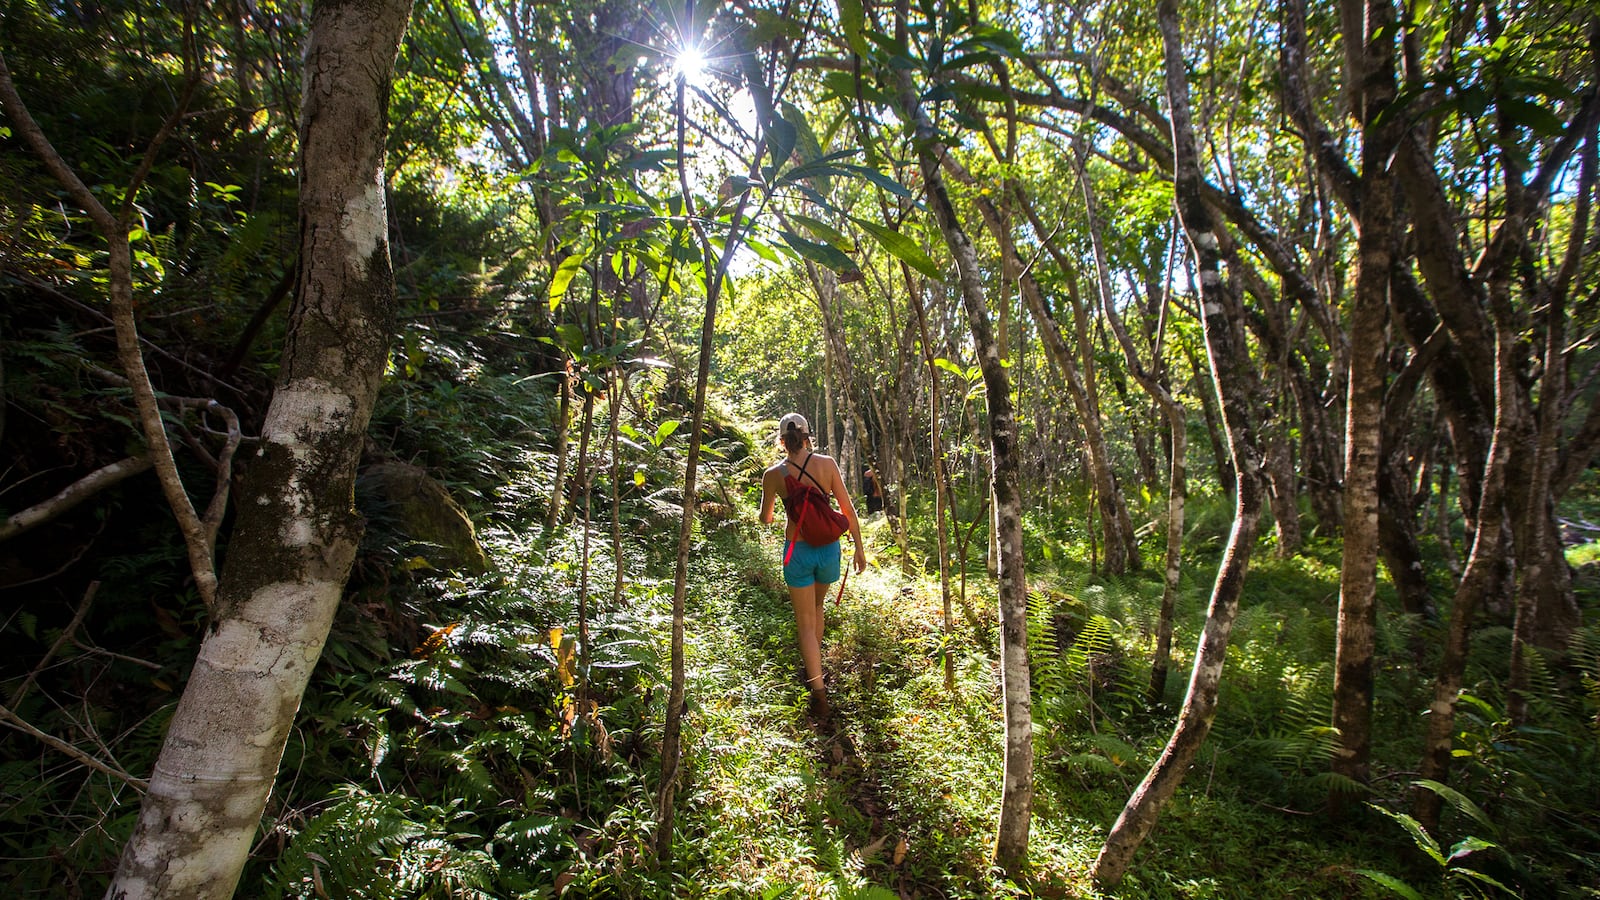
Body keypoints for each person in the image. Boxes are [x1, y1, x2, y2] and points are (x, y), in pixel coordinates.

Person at [759, 412, 866, 717]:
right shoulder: (827, 464)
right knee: (817, 608)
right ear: (808, 436)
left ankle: (818, 693)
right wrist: (859, 549)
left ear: (782, 441)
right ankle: (814, 666)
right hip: (829, 551)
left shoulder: (773, 475)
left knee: (805, 623)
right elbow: (847, 509)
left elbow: (765, 519)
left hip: (797, 552)